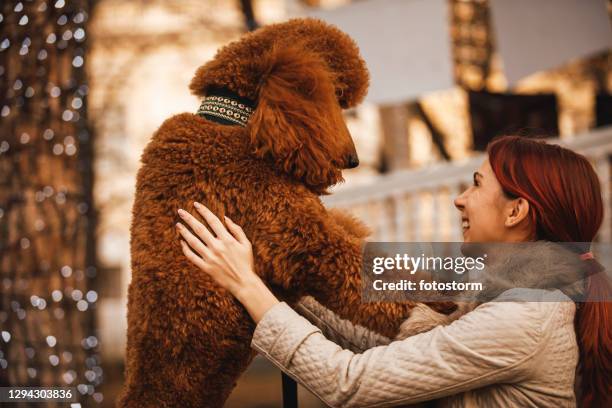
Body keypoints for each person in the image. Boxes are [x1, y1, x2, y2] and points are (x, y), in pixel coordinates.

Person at [175, 135, 611, 407]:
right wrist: (287, 273)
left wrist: (246, 284)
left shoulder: (523, 317)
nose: (460, 199)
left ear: (517, 211)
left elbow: (350, 382)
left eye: (476, 185)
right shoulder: (498, 291)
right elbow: (384, 349)